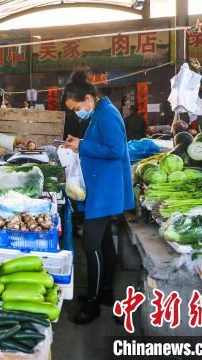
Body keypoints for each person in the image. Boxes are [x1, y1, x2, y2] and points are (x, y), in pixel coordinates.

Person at [62, 71, 134, 324]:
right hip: (102, 188)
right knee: (103, 243)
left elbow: (115, 150)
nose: (77, 112)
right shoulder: (98, 113)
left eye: (77, 107)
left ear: (89, 98)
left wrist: (81, 145)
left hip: (106, 190)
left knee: (90, 245)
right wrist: (78, 142)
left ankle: (92, 303)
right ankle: (105, 293)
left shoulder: (107, 114)